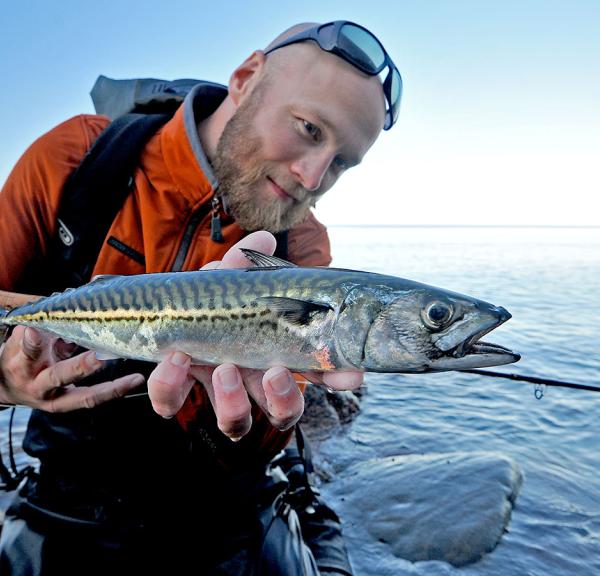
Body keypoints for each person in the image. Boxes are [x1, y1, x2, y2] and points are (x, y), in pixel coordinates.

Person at [0, 20, 401, 575]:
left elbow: (271, 417)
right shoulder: (75, 159)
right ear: (246, 77)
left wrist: (252, 428)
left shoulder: (303, 242)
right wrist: (5, 383)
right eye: (309, 129)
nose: (312, 178)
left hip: (223, 513)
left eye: (340, 163)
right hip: (68, 500)